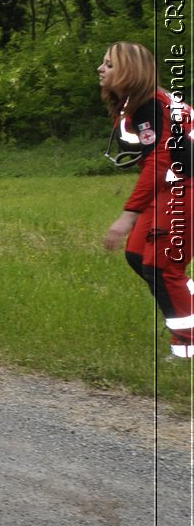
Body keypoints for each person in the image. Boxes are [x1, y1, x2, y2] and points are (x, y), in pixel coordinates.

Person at [99, 41, 194, 358]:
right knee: (139, 255)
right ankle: (187, 302)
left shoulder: (150, 106)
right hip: (171, 186)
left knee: (163, 267)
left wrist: (128, 215)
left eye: (109, 65)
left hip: (185, 186)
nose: (101, 69)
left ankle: (186, 348)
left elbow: (159, 162)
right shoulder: (140, 104)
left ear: (130, 71)